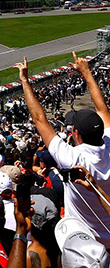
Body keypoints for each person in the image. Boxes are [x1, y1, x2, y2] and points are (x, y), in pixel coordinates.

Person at [15, 53, 110, 247]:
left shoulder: (72, 158)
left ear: (75, 133)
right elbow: (103, 110)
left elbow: (39, 119)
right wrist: (87, 73)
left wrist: (24, 81)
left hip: (86, 242)